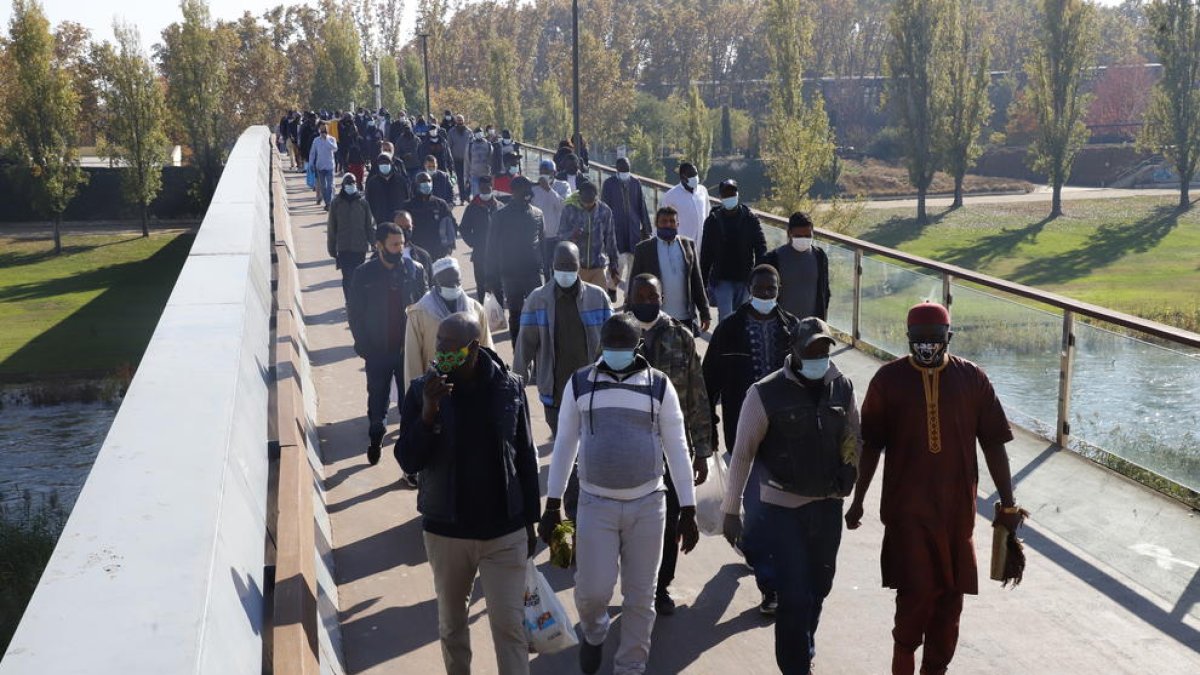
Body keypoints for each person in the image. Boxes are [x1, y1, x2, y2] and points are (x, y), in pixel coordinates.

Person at [845, 302, 1023, 675]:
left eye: (935, 340)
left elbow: (993, 443)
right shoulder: (887, 381)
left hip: (957, 518)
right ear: (908, 339)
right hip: (907, 514)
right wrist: (858, 500)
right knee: (916, 601)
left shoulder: (973, 379)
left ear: (949, 339)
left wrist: (1008, 505)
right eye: (920, 341)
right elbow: (871, 446)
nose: (927, 347)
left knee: (949, 609)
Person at [539, 314, 700, 675]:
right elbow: (565, 444)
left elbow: (676, 447)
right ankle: (594, 634)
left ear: (636, 348)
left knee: (641, 596)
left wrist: (687, 509)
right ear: (602, 347)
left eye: (622, 348)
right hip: (595, 503)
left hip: (649, 504)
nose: (615, 353)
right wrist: (552, 504)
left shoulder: (659, 386)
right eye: (610, 347)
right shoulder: (580, 384)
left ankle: (630, 666)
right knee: (593, 591)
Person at [395, 312, 540, 675]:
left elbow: (524, 453)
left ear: (473, 347)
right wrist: (428, 414)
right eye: (438, 341)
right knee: (452, 626)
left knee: (510, 627)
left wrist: (531, 521)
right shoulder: (420, 390)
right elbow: (408, 460)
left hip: (503, 532)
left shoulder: (509, 386)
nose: (439, 349)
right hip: (448, 533)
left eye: (448, 343)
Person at [721, 317, 861, 674]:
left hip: (827, 507)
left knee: (819, 588)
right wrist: (730, 510)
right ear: (794, 351)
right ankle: (795, 667)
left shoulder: (842, 386)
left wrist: (850, 466)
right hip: (781, 512)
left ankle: (803, 650)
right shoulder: (764, 392)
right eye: (811, 350)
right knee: (794, 596)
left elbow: (852, 434)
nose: (819, 357)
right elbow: (742, 453)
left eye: (825, 350)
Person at [702, 264, 801, 614]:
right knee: (758, 506)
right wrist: (708, 428)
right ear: (749, 288)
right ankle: (770, 585)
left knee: (779, 510)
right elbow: (708, 382)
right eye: (758, 289)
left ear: (779, 289)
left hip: (787, 436)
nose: (764, 295)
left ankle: (768, 569)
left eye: (770, 289)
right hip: (743, 431)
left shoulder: (793, 329)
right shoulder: (728, 331)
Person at [624, 274, 713, 616]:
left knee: (671, 520)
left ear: (663, 297)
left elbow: (697, 394)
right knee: (631, 523)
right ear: (630, 297)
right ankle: (636, 585)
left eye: (653, 295)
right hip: (629, 449)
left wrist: (702, 450)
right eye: (640, 295)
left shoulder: (681, 336)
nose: (647, 300)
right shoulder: (617, 336)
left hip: (672, 449)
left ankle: (661, 587)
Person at [513, 241, 612, 436]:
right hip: (555, 393)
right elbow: (524, 346)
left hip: (592, 389)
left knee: (591, 444)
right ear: (552, 265)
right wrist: (517, 384)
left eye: (570, 266)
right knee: (563, 445)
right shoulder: (537, 300)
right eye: (561, 265)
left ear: (579, 265)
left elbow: (612, 341)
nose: (566, 271)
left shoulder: (598, 297)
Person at [348, 223, 428, 465]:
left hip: (408, 350)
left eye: (401, 244)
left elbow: (423, 307)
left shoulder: (414, 270)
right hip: (377, 350)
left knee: (410, 402)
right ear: (379, 246)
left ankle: (409, 457)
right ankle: (376, 437)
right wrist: (362, 344)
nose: (399, 249)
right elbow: (355, 313)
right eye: (394, 244)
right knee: (378, 397)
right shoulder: (364, 274)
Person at [404, 256, 494, 403]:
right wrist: (417, 396)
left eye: (456, 281)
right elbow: (412, 359)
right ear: (436, 282)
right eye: (447, 282)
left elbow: (487, 347)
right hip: (436, 385)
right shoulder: (419, 313)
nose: (453, 286)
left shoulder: (475, 309)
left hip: (471, 383)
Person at [629, 206, 712, 334]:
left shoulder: (688, 245)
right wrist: (628, 316)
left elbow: (697, 281)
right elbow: (633, 285)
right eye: (664, 221)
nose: (668, 224)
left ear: (677, 224)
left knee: (685, 352)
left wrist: (705, 312)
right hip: (655, 317)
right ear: (656, 223)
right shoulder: (644, 249)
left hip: (684, 318)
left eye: (672, 221)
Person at [486, 176, 544, 340]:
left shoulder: (538, 214)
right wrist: (491, 278)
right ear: (513, 192)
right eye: (523, 188)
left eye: (529, 188)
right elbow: (491, 249)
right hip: (510, 275)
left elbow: (543, 245)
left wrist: (547, 272)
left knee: (537, 314)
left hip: (533, 274)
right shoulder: (500, 216)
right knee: (516, 315)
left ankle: (538, 350)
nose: (528, 192)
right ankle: (518, 351)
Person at [701, 178, 767, 321]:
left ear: (737, 194)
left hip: (745, 279)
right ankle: (724, 343)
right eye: (725, 194)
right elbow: (706, 254)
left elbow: (761, 248)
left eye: (732, 193)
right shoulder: (713, 220)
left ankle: (738, 344)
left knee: (743, 319)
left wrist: (758, 275)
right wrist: (703, 283)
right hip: (722, 280)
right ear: (720, 197)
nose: (729, 197)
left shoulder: (750, 219)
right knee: (726, 319)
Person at [763, 212, 831, 321]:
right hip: (782, 326)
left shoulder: (820, 256)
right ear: (789, 233)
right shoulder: (773, 258)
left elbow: (825, 292)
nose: (803, 239)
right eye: (798, 236)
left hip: (811, 326)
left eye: (808, 236)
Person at [560, 179, 620, 300]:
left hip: (598, 267)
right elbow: (560, 236)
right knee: (576, 303)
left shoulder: (605, 211)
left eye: (591, 202)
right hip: (576, 267)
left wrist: (614, 267)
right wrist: (573, 235)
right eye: (584, 202)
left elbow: (610, 239)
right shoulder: (569, 209)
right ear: (579, 196)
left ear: (596, 197)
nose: (587, 205)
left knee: (599, 303)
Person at [602, 158, 652, 291]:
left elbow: (642, 206)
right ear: (617, 169)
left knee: (633, 265)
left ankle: (628, 296)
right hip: (616, 231)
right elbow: (604, 208)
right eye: (622, 169)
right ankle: (611, 288)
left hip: (633, 230)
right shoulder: (609, 184)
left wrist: (646, 229)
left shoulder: (636, 183)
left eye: (627, 168)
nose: (625, 171)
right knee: (618, 263)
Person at [326, 173, 375, 303]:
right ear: (343, 185)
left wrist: (374, 242)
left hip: (359, 247)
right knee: (347, 277)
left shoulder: (363, 203)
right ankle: (350, 302)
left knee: (358, 276)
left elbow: (368, 225)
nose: (351, 186)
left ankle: (358, 301)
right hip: (343, 247)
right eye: (348, 183)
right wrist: (331, 247)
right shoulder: (336, 203)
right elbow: (332, 227)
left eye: (353, 183)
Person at [459, 176, 502, 303]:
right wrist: (474, 243)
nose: (485, 191)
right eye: (482, 189)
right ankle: (483, 314)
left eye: (487, 188)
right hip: (479, 255)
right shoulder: (472, 207)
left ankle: (499, 314)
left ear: (492, 187)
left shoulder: (500, 206)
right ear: (478, 189)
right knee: (482, 287)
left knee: (499, 287)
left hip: (498, 255)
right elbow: (464, 229)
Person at [402, 172, 457, 260]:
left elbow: (451, 225)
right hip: (417, 251)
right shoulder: (408, 206)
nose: (426, 184)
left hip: (438, 249)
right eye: (423, 182)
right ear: (416, 185)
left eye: (428, 181)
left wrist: (450, 245)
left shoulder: (440, 204)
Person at [531, 159, 571, 277]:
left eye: (548, 172)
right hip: (541, 236)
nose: (545, 175)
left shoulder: (563, 186)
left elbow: (562, 206)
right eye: (542, 172)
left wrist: (548, 189)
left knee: (558, 267)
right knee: (545, 268)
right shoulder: (534, 189)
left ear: (554, 173)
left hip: (558, 235)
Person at [660, 162, 710, 253]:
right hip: (682, 248)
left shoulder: (703, 191)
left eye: (696, 174)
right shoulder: (671, 196)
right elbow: (662, 224)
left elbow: (707, 215)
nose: (695, 177)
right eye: (692, 175)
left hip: (702, 247)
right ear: (683, 178)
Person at [366, 153, 410, 226]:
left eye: (386, 163)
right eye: (381, 163)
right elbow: (369, 201)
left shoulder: (400, 180)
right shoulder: (372, 182)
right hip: (381, 221)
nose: (384, 165)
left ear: (391, 164)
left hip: (399, 220)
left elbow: (407, 197)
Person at [394, 210, 435, 287]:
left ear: (412, 227)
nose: (404, 231)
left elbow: (431, 284)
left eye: (407, 227)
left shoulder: (423, 256)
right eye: (400, 227)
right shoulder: (381, 256)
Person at [309, 122, 338, 208]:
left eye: (324, 130)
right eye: (321, 130)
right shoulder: (316, 140)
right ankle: (327, 202)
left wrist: (327, 140)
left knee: (330, 185)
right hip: (320, 166)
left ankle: (329, 203)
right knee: (323, 187)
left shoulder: (332, 139)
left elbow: (335, 148)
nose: (323, 132)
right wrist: (311, 163)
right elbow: (312, 153)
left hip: (329, 166)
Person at [448, 114, 472, 203]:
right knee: (460, 179)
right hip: (457, 160)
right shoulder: (451, 132)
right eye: (458, 120)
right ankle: (462, 198)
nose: (460, 122)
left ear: (464, 121)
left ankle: (468, 195)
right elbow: (449, 147)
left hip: (468, 160)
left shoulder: (469, 132)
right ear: (456, 121)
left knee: (469, 179)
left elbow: (472, 145)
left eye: (461, 120)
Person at [467, 127, 495, 198]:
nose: (479, 134)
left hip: (486, 175)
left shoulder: (488, 145)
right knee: (476, 197)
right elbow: (467, 161)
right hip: (474, 175)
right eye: (477, 133)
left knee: (486, 196)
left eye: (480, 132)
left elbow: (492, 159)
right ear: (474, 134)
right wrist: (466, 176)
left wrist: (492, 175)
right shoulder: (470, 145)